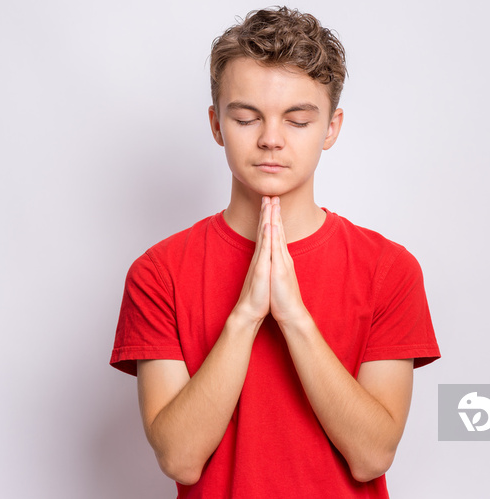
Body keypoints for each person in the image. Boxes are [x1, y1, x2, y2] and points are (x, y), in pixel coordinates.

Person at [110, 6, 440, 498]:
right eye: (246, 117)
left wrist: (294, 318)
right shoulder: (159, 273)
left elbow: (372, 455)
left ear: (331, 128)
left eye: (298, 120)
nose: (270, 139)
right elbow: (180, 459)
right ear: (217, 125)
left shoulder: (389, 270)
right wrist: (245, 315)